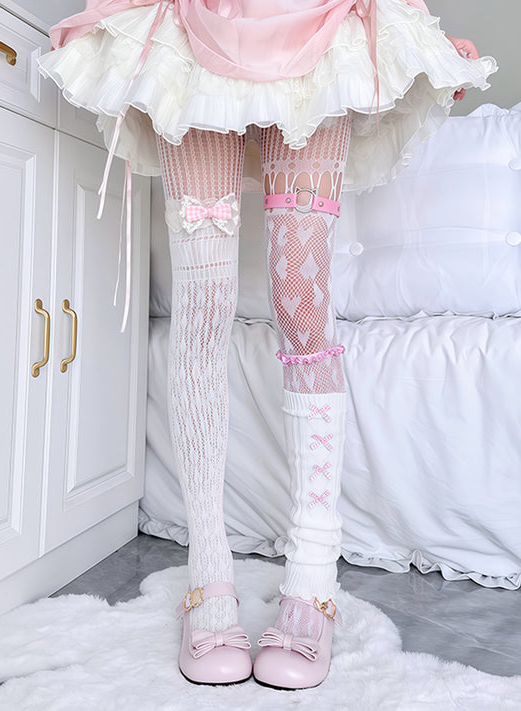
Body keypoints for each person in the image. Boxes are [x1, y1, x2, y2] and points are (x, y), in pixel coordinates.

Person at [38, 0, 497, 690]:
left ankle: (313, 580)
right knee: (202, 306)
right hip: (195, 28)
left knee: (301, 300)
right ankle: (208, 576)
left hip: (318, 24)